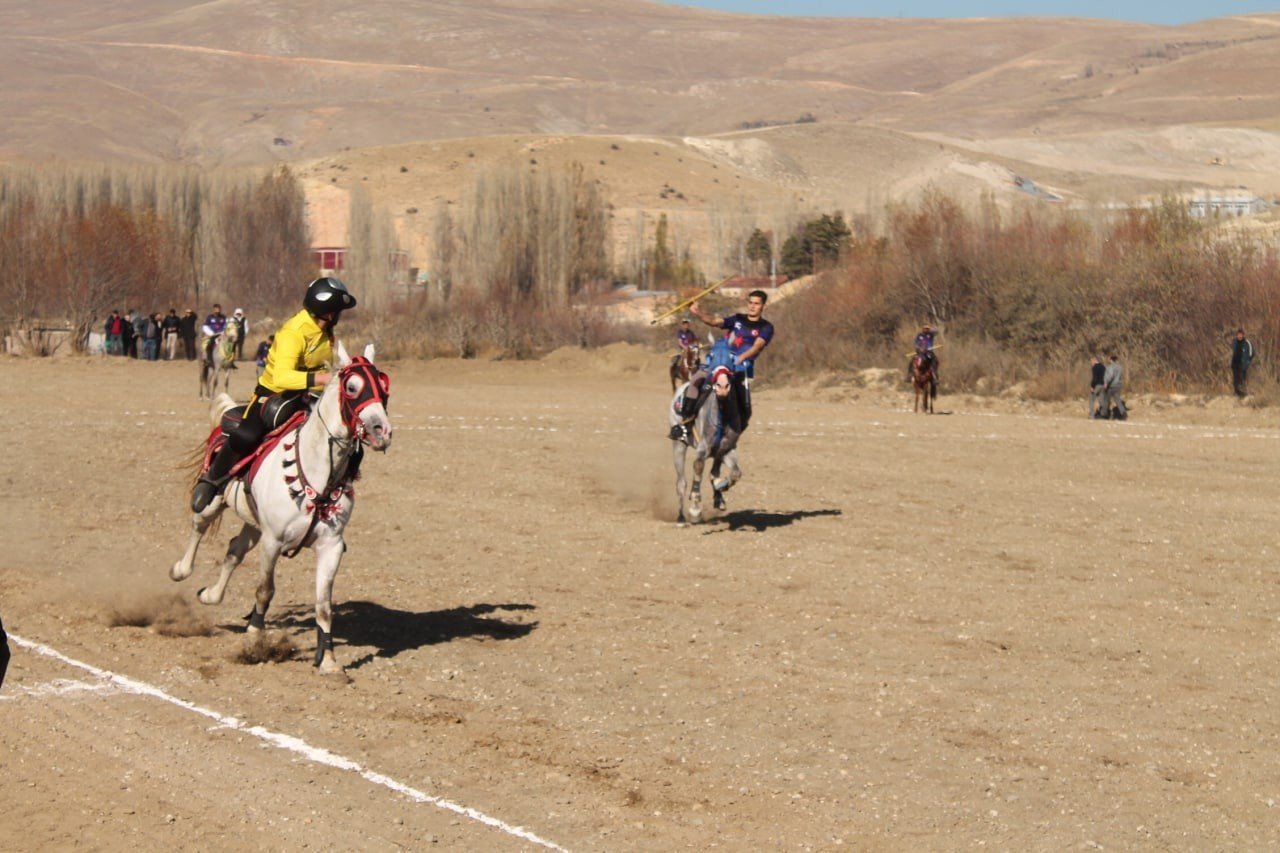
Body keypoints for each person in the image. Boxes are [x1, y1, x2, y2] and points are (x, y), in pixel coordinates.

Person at [191, 278, 357, 513]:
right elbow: (281, 378)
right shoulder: (294, 333)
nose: (340, 315)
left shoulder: (325, 332)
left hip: (308, 396)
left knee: (345, 435)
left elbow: (323, 368)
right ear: (329, 312)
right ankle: (210, 481)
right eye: (339, 310)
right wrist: (319, 379)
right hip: (273, 397)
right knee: (247, 436)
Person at [668, 289, 774, 450]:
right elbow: (714, 321)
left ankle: (734, 432)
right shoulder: (738, 319)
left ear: (764, 306)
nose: (752, 306)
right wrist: (698, 312)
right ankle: (685, 424)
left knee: (743, 404)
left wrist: (743, 357)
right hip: (721, 359)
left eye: (757, 303)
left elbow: (757, 346)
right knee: (696, 380)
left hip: (741, 366)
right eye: (750, 302)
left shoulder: (766, 327)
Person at [1101, 353, 1126, 420]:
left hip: (1111, 386)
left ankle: (1104, 414)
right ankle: (1123, 413)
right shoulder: (1119, 367)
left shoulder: (1111, 367)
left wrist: (1106, 383)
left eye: (1109, 358)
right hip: (1118, 385)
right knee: (1117, 400)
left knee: (1106, 400)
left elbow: (1110, 375)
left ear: (1111, 359)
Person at [1231, 327, 1254, 398]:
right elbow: (1233, 352)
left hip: (1243, 364)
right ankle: (1237, 393)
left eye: (1241, 335)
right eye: (1238, 334)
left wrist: (1248, 362)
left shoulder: (1247, 343)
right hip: (1235, 364)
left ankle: (1243, 394)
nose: (1239, 336)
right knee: (1235, 380)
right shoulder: (1234, 342)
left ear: (1243, 335)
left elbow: (1251, 353)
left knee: (1242, 379)